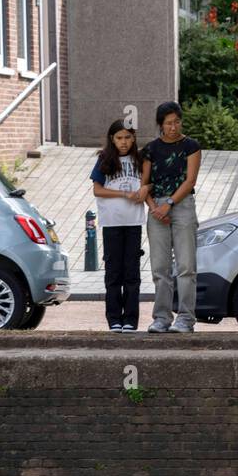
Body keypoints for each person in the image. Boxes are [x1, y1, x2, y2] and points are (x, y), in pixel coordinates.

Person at [140, 102, 201, 334]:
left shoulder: (191, 146)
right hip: (156, 208)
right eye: (168, 123)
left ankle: (185, 318)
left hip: (182, 204)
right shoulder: (150, 149)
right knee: (160, 267)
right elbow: (145, 185)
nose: (173, 127)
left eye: (176, 121)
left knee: (186, 265)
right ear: (160, 125)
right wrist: (156, 208)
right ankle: (161, 318)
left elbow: (190, 180)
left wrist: (169, 204)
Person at [89, 120, 148, 332]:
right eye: (119, 138)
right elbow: (97, 190)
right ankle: (114, 318)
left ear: (133, 138)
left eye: (128, 137)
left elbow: (148, 183)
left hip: (133, 223)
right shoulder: (104, 160)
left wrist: (144, 191)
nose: (123, 142)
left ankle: (131, 319)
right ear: (112, 139)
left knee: (132, 274)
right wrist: (124, 194)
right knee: (113, 273)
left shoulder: (140, 160)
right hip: (112, 224)